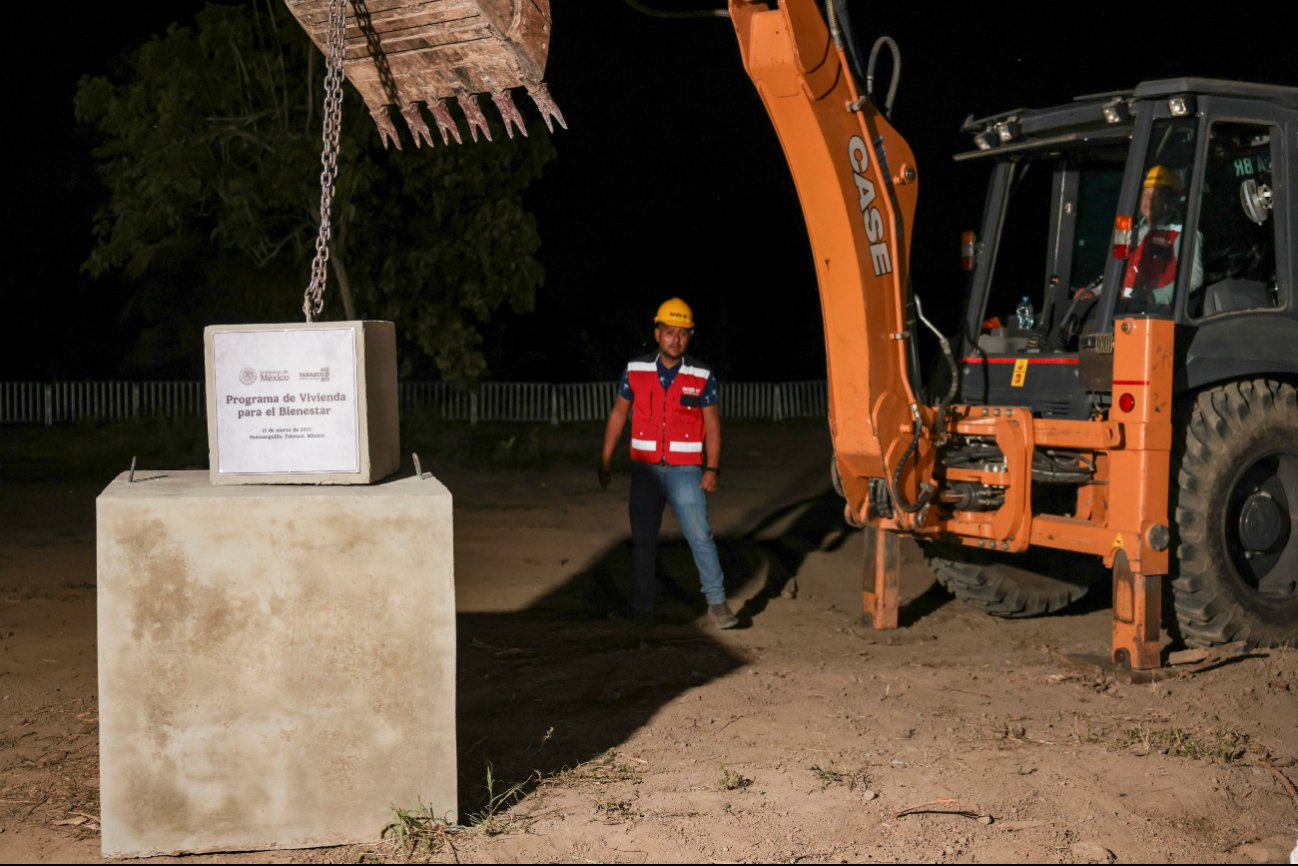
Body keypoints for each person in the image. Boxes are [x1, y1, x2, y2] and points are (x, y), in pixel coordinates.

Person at [598, 297, 738, 629]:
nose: (675, 339)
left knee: (700, 536)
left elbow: (713, 425)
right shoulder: (635, 370)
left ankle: (717, 604)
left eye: (683, 333)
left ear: (690, 337)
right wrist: (605, 458)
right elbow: (619, 414)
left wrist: (712, 468)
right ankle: (641, 608)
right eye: (669, 332)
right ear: (657, 333)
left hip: (685, 472)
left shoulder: (701, 375)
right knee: (643, 542)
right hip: (645, 472)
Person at [1121, 164, 1203, 309]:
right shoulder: (1129, 230)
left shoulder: (1184, 234)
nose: (1149, 201)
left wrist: (1155, 296)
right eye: (1145, 194)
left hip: (1156, 314)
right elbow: (1118, 271)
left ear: (1172, 200)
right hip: (1122, 308)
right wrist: (1095, 291)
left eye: (1157, 195)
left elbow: (1194, 278)